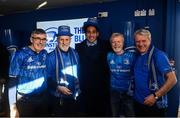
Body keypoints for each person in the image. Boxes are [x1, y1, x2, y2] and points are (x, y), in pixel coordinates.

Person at [133, 28, 177, 117]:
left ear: (150, 40)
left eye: (144, 41)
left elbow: (173, 80)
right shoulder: (136, 55)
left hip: (154, 104)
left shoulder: (159, 55)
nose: (141, 44)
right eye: (138, 41)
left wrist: (155, 96)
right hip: (138, 103)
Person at [8, 29, 48, 117]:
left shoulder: (44, 53)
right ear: (31, 39)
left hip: (42, 98)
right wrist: (12, 106)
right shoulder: (20, 54)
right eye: (38, 38)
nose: (41, 42)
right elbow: (12, 81)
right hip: (25, 100)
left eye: (44, 39)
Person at [75, 17, 111, 116]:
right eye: (88, 32)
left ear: (97, 33)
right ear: (85, 33)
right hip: (85, 88)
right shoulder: (78, 47)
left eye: (93, 32)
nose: (91, 34)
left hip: (102, 88)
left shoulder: (106, 45)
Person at [46, 25, 81, 117]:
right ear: (57, 40)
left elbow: (78, 72)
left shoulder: (75, 53)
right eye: (61, 39)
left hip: (74, 95)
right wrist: (58, 87)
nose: (64, 42)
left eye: (66, 39)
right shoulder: (50, 57)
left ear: (70, 40)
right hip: (58, 97)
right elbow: (47, 78)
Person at [107, 33, 136, 117]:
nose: (116, 44)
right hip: (114, 92)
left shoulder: (131, 56)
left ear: (123, 43)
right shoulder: (108, 56)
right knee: (115, 115)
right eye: (113, 42)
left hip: (128, 93)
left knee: (130, 115)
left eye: (119, 42)